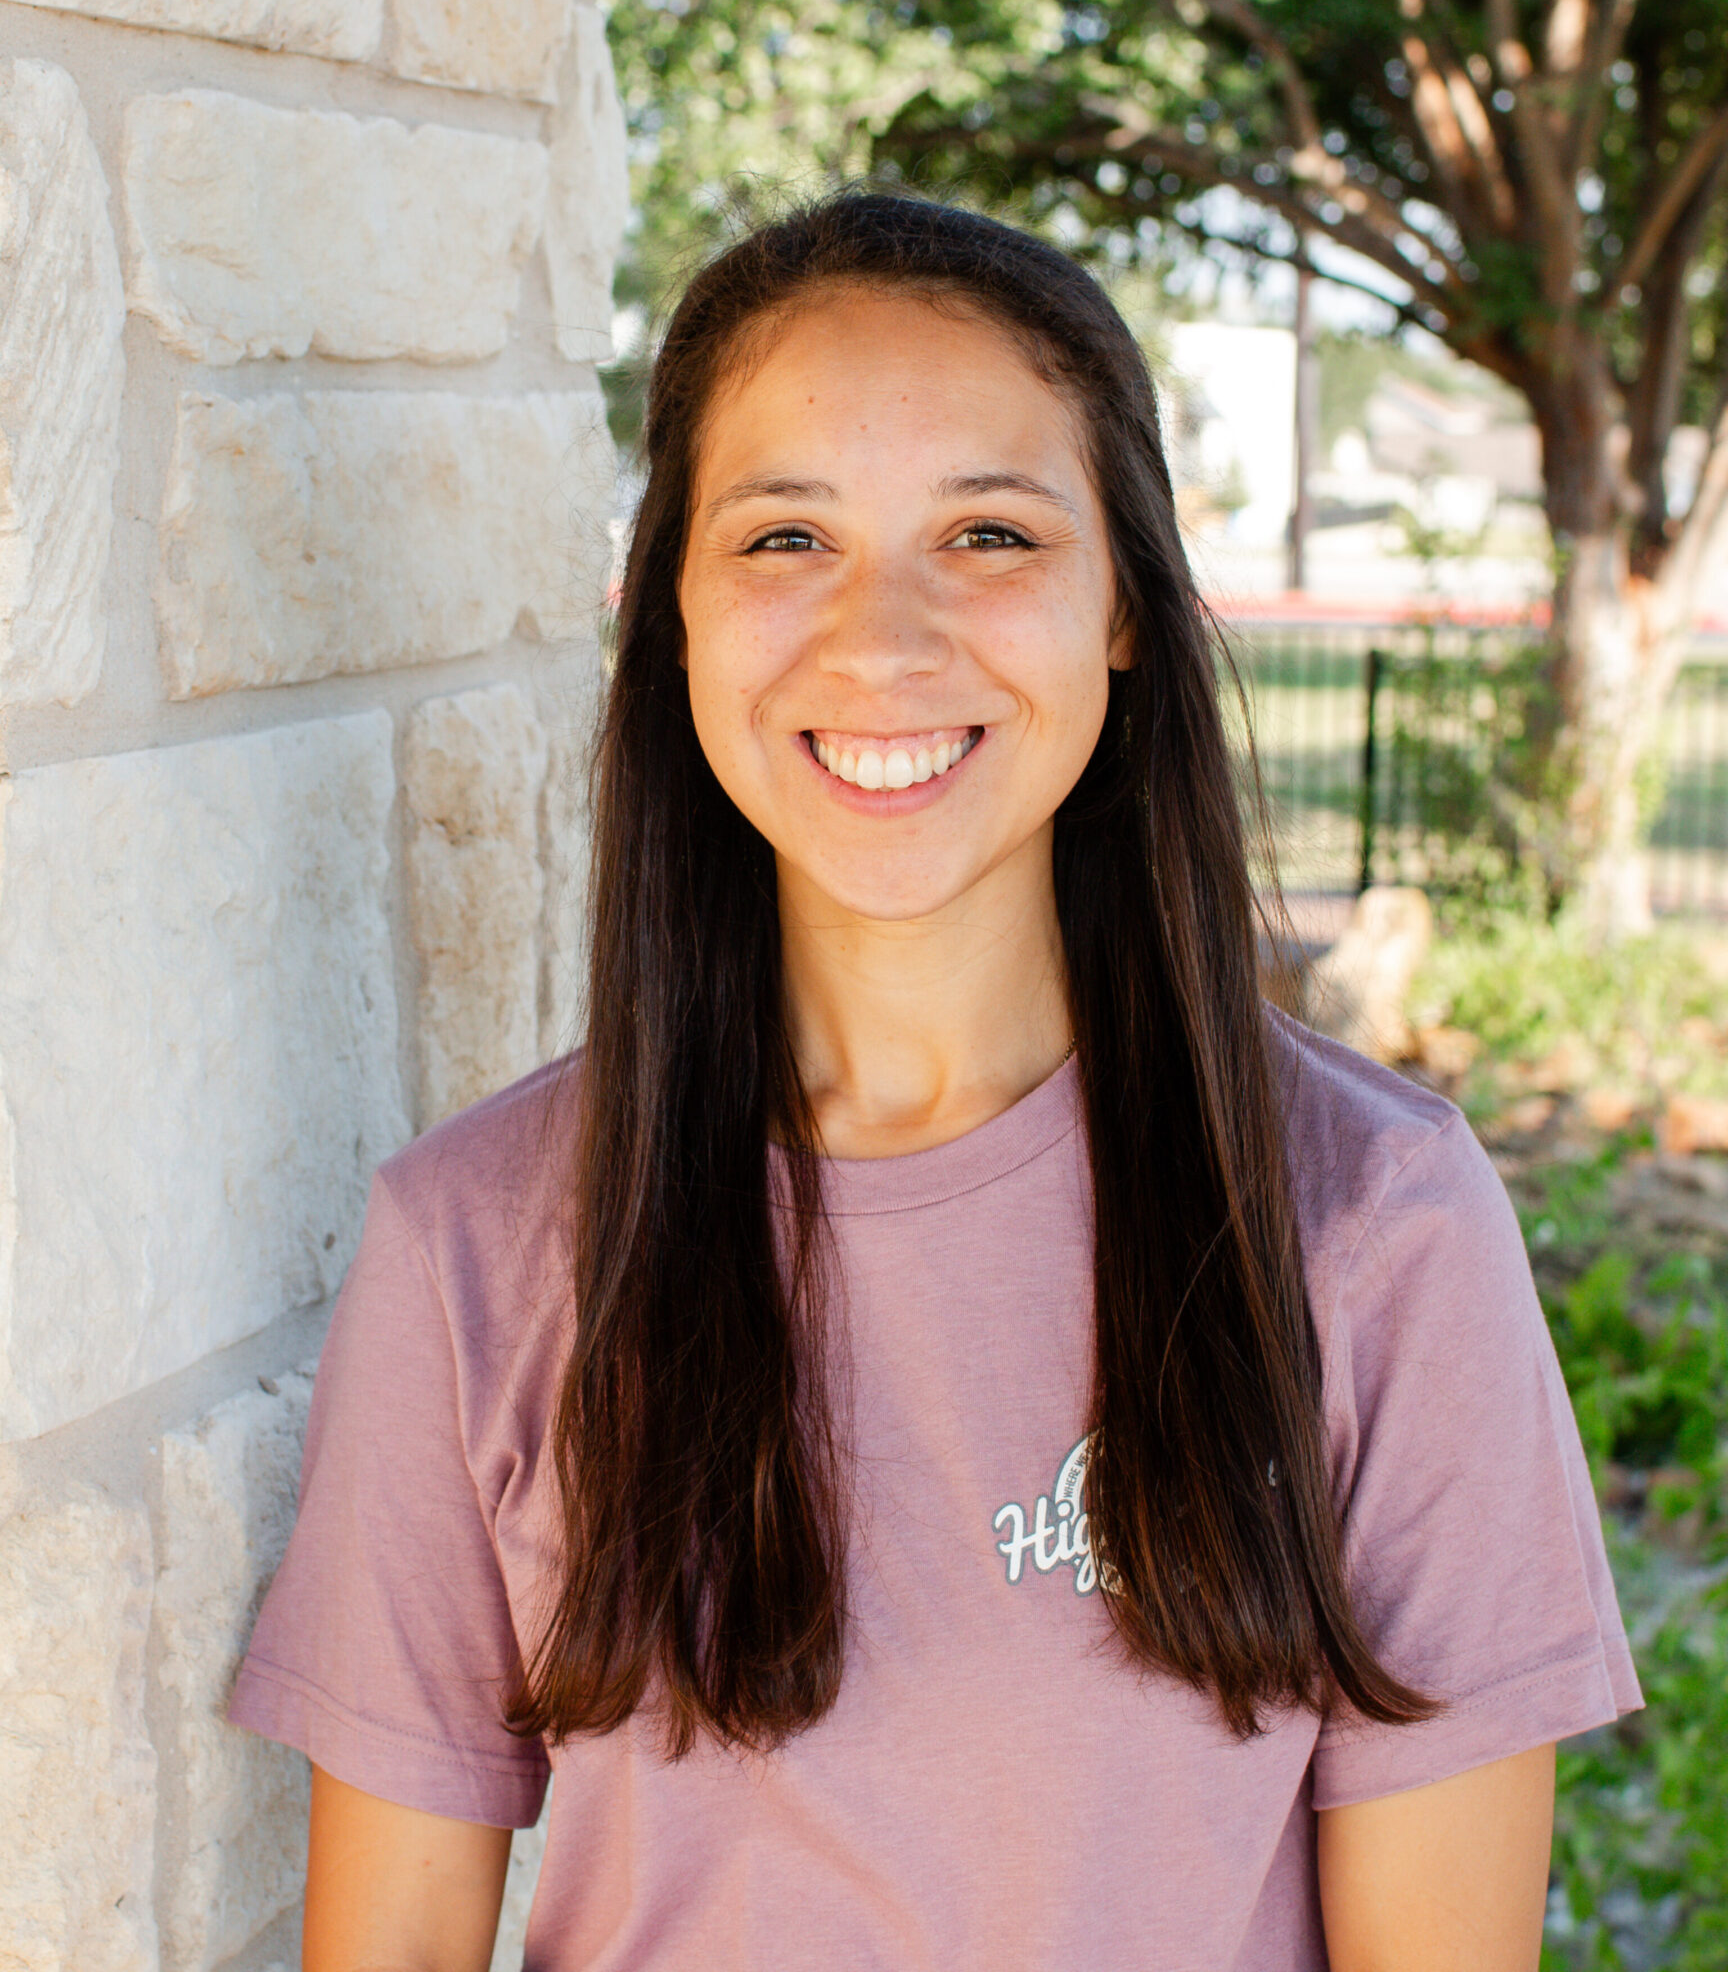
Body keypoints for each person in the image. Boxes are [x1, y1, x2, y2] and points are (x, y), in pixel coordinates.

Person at [232, 193, 1640, 1972]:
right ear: (672, 611)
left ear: (1124, 605)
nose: (881, 639)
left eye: (986, 531)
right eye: (785, 537)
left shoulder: (1374, 1223)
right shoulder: (476, 1244)